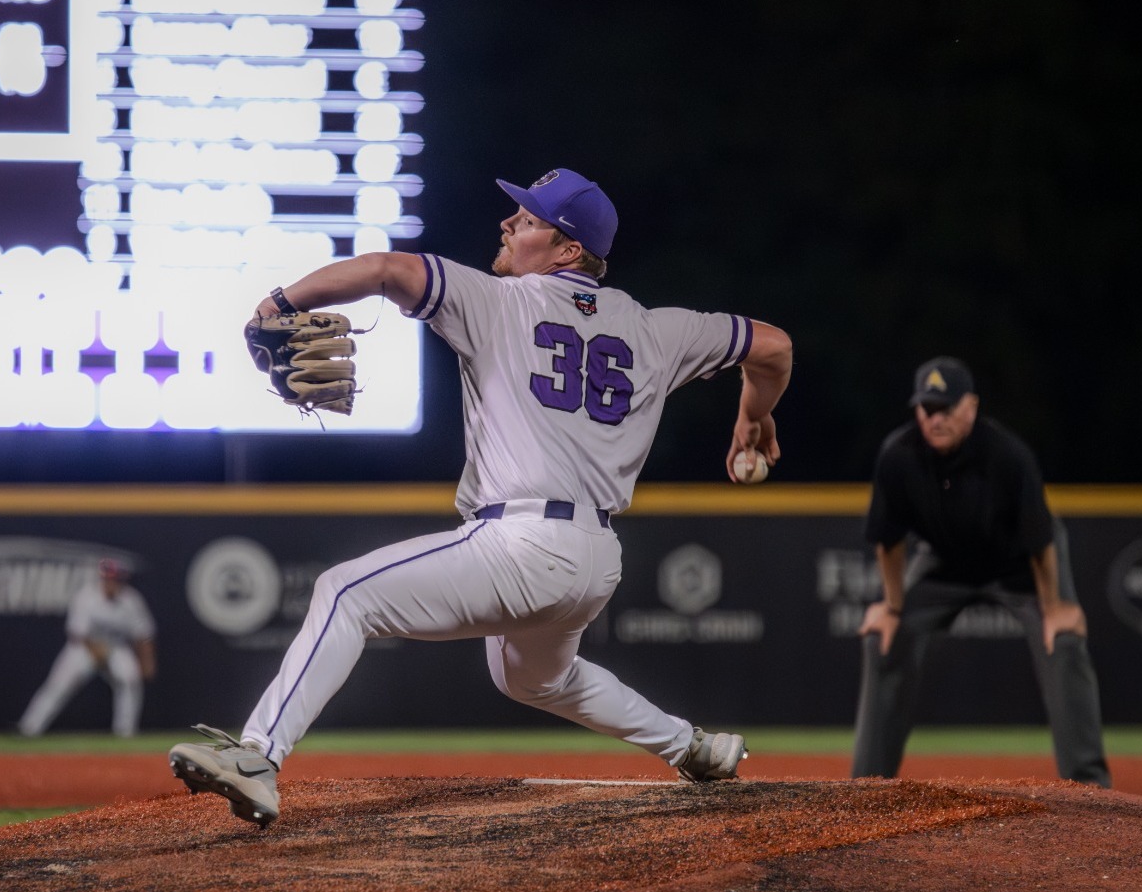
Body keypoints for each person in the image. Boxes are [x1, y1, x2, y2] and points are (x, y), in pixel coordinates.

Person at [167, 167, 795, 827]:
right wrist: (755, 418)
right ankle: (691, 747)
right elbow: (774, 347)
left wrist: (276, 304)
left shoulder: (501, 301)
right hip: (597, 559)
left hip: (520, 542)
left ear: (567, 250)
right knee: (532, 679)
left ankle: (258, 758)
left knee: (346, 594)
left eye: (525, 220)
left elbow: (386, 268)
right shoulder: (656, 329)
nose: (507, 223)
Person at [852, 357, 1111, 787]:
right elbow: (888, 539)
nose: (935, 419)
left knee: (1063, 639)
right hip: (944, 563)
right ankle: (865, 789)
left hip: (1019, 566)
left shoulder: (1007, 455)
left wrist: (1055, 607)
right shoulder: (899, 455)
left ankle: (1091, 790)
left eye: (946, 408)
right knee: (883, 636)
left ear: (970, 406)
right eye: (926, 409)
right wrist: (893, 607)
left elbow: (1041, 541)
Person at [18, 559, 157, 739]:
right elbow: (78, 632)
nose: (111, 583)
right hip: (83, 647)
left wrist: (147, 661)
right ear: (103, 579)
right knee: (59, 684)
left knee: (129, 679)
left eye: (116, 579)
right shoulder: (87, 596)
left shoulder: (131, 600)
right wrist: (97, 652)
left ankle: (125, 733)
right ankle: (29, 728)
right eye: (108, 578)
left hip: (116, 647)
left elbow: (143, 634)